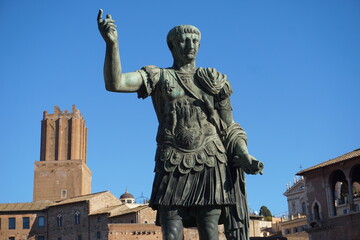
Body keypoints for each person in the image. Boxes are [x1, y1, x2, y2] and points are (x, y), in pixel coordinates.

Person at [97, 9, 263, 240]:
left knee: (209, 231)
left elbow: (230, 126)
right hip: (171, 161)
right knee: (171, 232)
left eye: (195, 40)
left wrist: (244, 154)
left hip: (210, 157)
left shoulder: (214, 80)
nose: (190, 45)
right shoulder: (158, 76)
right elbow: (115, 83)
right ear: (172, 46)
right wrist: (111, 44)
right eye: (184, 41)